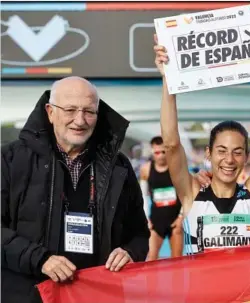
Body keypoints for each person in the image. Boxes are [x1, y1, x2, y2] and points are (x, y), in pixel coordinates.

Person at [1, 76, 150, 303]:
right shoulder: (11, 160)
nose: (80, 120)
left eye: (89, 111)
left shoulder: (118, 167)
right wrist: (40, 259)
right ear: (50, 112)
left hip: (97, 295)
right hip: (29, 295)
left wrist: (131, 253)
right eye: (70, 110)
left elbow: (139, 234)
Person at [154, 34, 250, 254]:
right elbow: (171, 143)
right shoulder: (192, 194)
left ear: (245, 156)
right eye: (221, 151)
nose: (229, 160)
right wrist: (168, 79)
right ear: (209, 153)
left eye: (237, 152)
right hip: (201, 290)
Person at [140, 136, 183, 260]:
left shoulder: (177, 168)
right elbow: (142, 196)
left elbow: (186, 194)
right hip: (156, 221)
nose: (160, 156)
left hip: (175, 222)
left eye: (163, 152)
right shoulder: (146, 169)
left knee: (177, 261)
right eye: (157, 152)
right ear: (152, 152)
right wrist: (146, 218)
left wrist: (180, 217)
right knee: (150, 260)